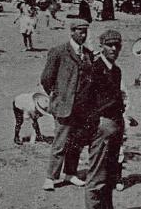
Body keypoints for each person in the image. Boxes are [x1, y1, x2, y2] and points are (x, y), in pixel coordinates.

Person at [40, 20, 95, 191]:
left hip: (81, 106)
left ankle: (71, 173)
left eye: (85, 32)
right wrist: (58, 95)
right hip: (64, 105)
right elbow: (46, 78)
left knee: (76, 142)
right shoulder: (58, 51)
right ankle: (51, 177)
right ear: (72, 32)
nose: (83, 35)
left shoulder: (87, 53)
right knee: (60, 142)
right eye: (80, 31)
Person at [86, 30, 126, 209]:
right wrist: (94, 123)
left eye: (117, 45)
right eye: (109, 45)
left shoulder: (116, 70)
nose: (113, 49)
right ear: (101, 46)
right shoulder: (94, 68)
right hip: (101, 125)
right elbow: (84, 99)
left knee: (110, 174)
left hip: (115, 124)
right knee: (97, 177)